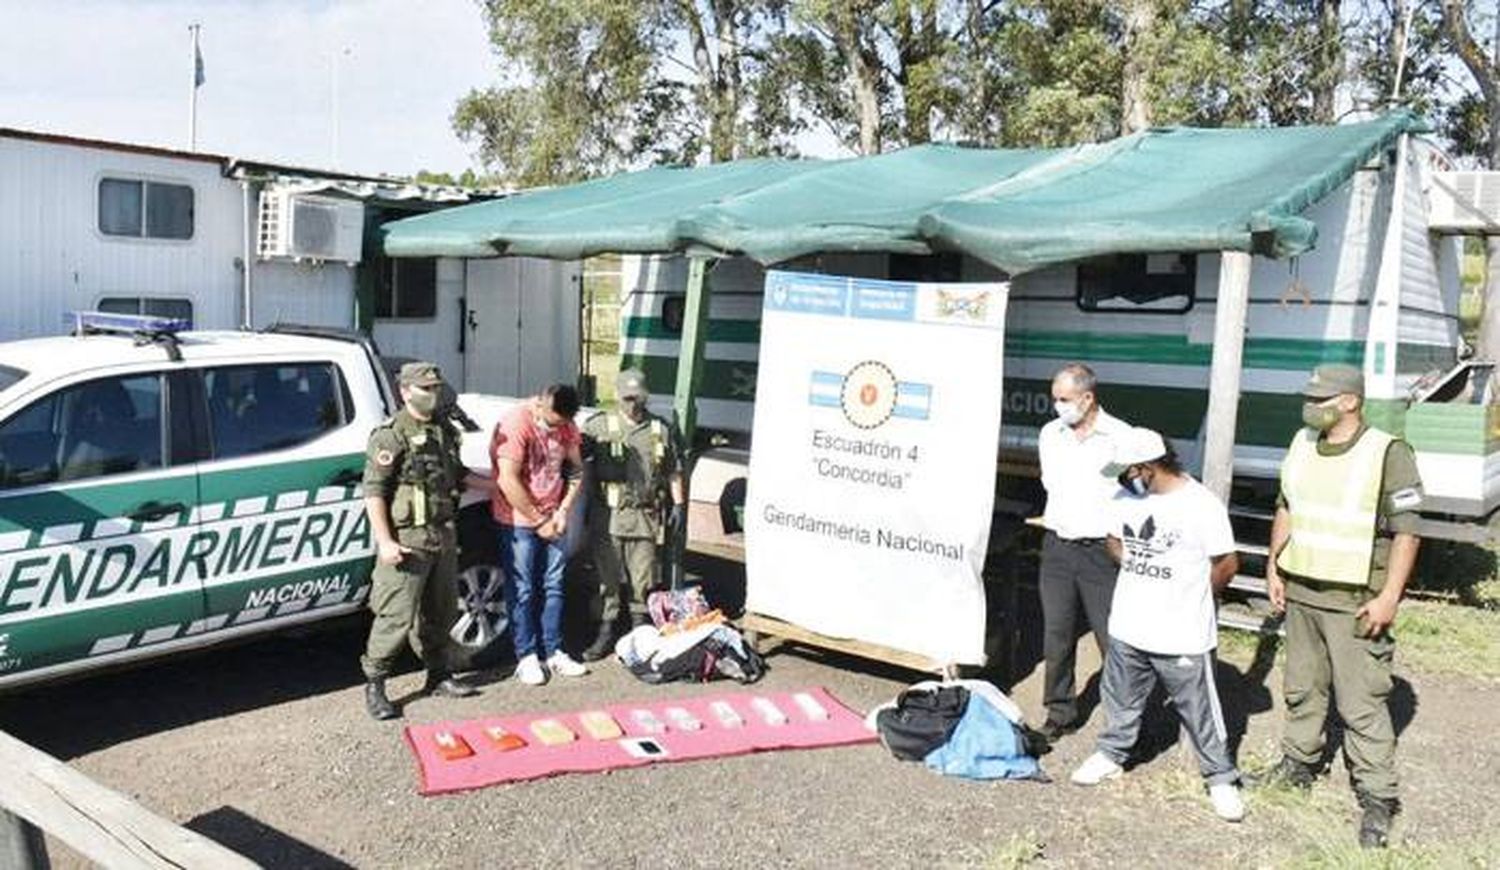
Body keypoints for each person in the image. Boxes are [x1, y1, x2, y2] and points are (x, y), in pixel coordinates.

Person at [1261, 364, 1422, 849]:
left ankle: (1377, 796)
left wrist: (1390, 596)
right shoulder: (1302, 443)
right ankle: (1298, 764)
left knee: (1361, 702)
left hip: (1356, 600)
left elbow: (1407, 531)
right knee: (1302, 688)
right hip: (1303, 591)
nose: (1311, 406)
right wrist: (1274, 565)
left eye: (1321, 399)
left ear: (1350, 401)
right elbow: (1286, 506)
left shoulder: (1387, 452)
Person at [1070, 427, 1245, 823]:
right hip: (1130, 623)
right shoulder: (1124, 497)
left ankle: (1219, 777)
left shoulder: (1201, 505)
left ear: (1148, 467)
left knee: (1199, 707)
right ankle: (1112, 753)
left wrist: (1198, 594)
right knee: (1120, 696)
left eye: (1127, 471)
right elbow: (1114, 540)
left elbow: (1226, 564)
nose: (1122, 479)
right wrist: (1131, 561)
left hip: (1182, 630)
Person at [360, 362, 484, 721]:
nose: (433, 394)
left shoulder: (443, 430)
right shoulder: (390, 434)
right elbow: (374, 492)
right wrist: (385, 541)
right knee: (395, 615)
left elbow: (458, 477)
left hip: (442, 533)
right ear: (405, 391)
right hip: (408, 540)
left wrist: (501, 487)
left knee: (441, 611)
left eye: (435, 388)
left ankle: (439, 674)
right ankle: (376, 684)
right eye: (425, 389)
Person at [1035, 362, 1131, 738]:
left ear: (1088, 397)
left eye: (1065, 399)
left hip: (1100, 551)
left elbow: (1131, 494)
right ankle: (1059, 713)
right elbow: (1051, 484)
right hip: (1058, 545)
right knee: (1056, 634)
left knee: (1113, 638)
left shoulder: (1119, 437)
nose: (1059, 406)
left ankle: (1123, 722)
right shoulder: (1050, 434)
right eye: (1056, 399)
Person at [579, 368, 686, 661]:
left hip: (645, 516)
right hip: (609, 516)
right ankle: (606, 631)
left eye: (638, 398)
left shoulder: (659, 429)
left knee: (644, 579)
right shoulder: (598, 426)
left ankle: (639, 632)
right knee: (608, 578)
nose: (632, 405)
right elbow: (579, 469)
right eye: (627, 398)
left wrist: (678, 505)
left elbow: (673, 470)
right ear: (616, 396)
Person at [491, 383, 588, 686]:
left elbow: (575, 470)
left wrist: (563, 511)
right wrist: (537, 520)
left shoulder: (567, 425)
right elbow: (507, 479)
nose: (558, 427)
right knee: (523, 588)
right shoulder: (516, 422)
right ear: (542, 405)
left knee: (555, 583)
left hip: (553, 515)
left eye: (563, 422)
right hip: (519, 518)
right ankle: (526, 654)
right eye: (554, 420)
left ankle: (554, 649)